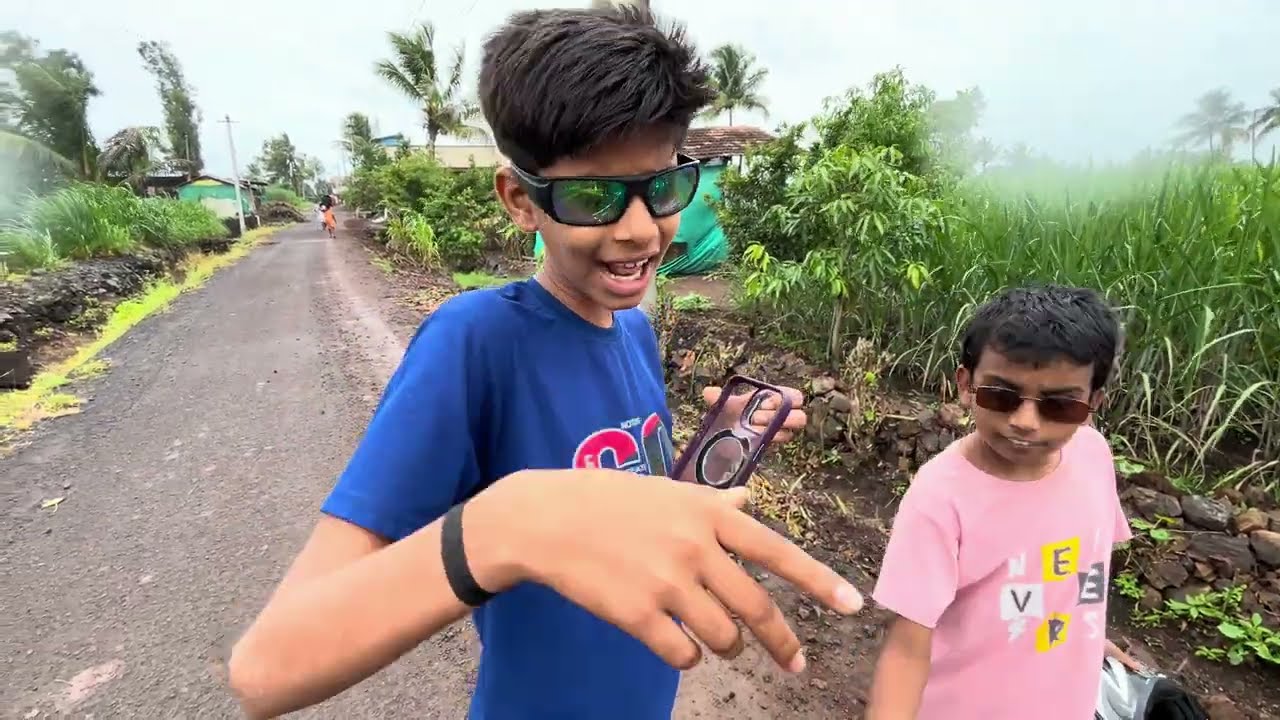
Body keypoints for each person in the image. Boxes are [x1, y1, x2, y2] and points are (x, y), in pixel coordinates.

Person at [227, 8, 862, 720]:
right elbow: (267, 670)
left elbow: (618, 498)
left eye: (661, 188)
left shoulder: (634, 331)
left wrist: (716, 455)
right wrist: (505, 527)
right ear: (520, 201)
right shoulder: (474, 343)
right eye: (593, 197)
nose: (638, 228)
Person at [866, 285, 1137, 720]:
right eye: (1001, 396)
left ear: (1092, 405)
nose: (1025, 422)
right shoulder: (940, 496)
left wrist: (1086, 643)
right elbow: (906, 648)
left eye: (1060, 405)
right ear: (966, 386)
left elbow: (1076, 571)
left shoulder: (1093, 455)